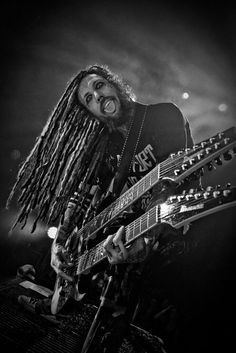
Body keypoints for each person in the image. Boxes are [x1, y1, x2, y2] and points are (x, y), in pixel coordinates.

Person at [8, 64, 195, 352]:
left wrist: (147, 240)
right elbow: (80, 195)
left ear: (113, 83)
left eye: (98, 86)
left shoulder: (162, 115)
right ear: (89, 112)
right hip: (122, 241)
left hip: (170, 235)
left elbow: (172, 186)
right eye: (88, 99)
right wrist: (60, 244)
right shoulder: (103, 146)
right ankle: (58, 303)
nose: (97, 97)